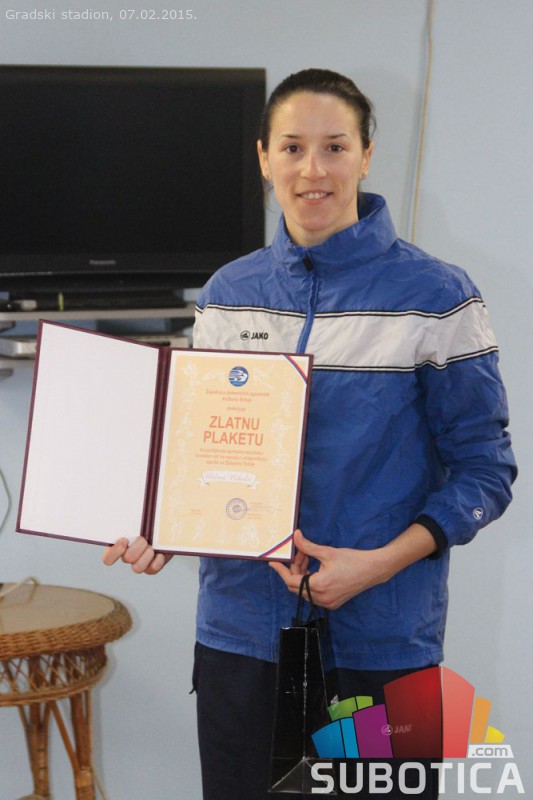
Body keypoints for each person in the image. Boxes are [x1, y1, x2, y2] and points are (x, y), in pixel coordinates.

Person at [104, 69, 516, 799]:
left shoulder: (437, 296)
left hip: (383, 637)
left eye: (335, 146)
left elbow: (486, 470)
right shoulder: (228, 294)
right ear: (264, 158)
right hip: (241, 632)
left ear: (366, 155)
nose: (313, 169)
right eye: (292, 147)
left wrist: (379, 564)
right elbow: (204, 455)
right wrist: (165, 529)